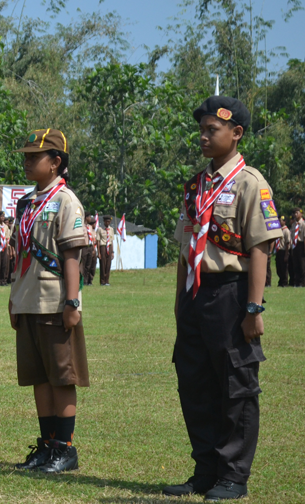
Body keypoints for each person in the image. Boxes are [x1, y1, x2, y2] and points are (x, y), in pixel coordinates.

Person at [163, 96, 280, 500]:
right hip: (195, 293)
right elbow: (185, 249)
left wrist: (253, 307)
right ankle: (205, 470)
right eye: (201, 129)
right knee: (194, 383)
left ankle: (234, 475)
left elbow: (260, 248)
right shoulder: (197, 186)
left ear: (236, 133)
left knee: (235, 385)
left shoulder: (250, 183)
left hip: (231, 293)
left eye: (212, 130)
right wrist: (180, 302)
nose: (203, 136)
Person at [6, 129, 88, 474]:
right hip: (27, 299)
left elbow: (71, 256)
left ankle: (64, 448)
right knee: (38, 377)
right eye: (25, 156)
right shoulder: (27, 203)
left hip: (55, 302)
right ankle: (46, 444)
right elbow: (21, 255)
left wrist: (72, 302)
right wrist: (14, 298)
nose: (26, 162)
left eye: (33, 157)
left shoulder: (66, 201)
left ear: (55, 162)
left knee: (61, 377)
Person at [81, 215, 98, 287]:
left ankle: (87, 280)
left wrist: (93, 249)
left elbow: (93, 239)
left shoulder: (90, 227)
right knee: (83, 264)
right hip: (84, 247)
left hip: (90, 247)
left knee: (89, 265)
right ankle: (82, 280)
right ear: (86, 218)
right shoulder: (81, 227)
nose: (90, 219)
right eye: (89, 217)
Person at [97, 216, 114, 286]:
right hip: (103, 247)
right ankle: (102, 281)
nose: (108, 223)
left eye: (109, 221)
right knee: (103, 264)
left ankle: (107, 280)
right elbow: (98, 241)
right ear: (104, 221)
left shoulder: (111, 229)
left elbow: (111, 241)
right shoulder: (100, 229)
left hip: (109, 247)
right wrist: (99, 252)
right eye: (106, 221)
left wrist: (112, 252)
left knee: (108, 264)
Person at [0, 212, 10, 287]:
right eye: (1, 216)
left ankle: (3, 280)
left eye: (3, 216)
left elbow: (7, 238)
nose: (2, 218)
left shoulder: (6, 227)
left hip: (4, 245)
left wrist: (7, 248)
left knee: (4, 263)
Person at [274, 217, 290, 287]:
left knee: (284, 268)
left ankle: (284, 282)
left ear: (284, 221)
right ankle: (280, 281)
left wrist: (286, 254)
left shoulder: (286, 231)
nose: (279, 222)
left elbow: (287, 243)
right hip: (278, 251)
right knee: (279, 267)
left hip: (283, 251)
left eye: (280, 220)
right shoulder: (278, 230)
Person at [291, 209, 304, 287]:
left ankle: (302, 282)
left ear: (301, 214)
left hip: (301, 245)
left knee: (302, 264)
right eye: (294, 213)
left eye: (297, 213)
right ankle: (297, 282)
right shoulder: (294, 224)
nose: (295, 214)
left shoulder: (303, 224)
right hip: (294, 245)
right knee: (295, 264)